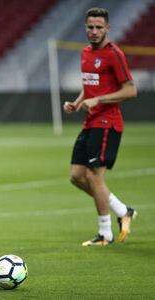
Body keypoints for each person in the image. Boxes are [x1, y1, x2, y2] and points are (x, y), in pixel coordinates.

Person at [63, 7, 138, 246]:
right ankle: (122, 210)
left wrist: (99, 100)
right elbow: (91, 84)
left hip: (107, 123)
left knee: (95, 177)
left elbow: (130, 90)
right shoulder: (85, 52)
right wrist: (77, 103)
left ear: (107, 28)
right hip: (90, 121)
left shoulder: (114, 54)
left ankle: (105, 233)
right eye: (90, 27)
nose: (93, 32)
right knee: (76, 176)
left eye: (98, 27)